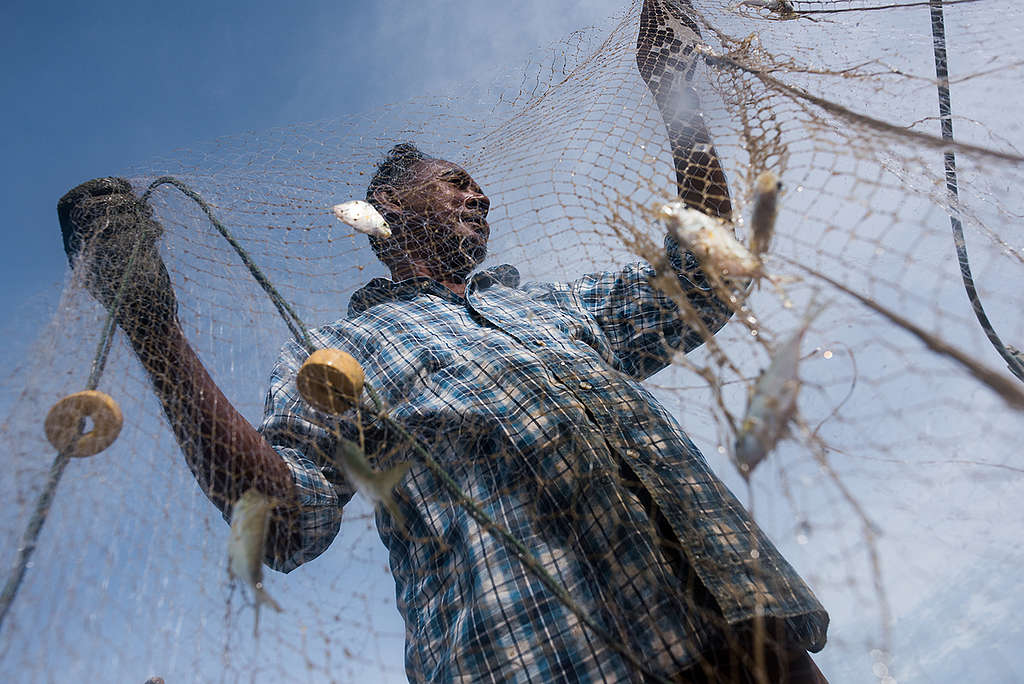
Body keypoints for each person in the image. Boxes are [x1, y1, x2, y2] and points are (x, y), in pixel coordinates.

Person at [56, 1, 828, 682]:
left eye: (477, 185)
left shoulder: (555, 309)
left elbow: (712, 273)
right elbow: (284, 522)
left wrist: (674, 94)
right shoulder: (341, 353)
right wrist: (154, 330)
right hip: (541, 659)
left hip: (750, 637)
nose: (480, 192)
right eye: (456, 180)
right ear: (387, 206)